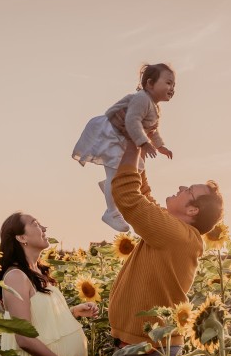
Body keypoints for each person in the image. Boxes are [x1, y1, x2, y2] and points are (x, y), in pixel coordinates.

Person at [108, 139, 224, 356]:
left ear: (193, 210)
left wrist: (134, 146)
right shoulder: (175, 232)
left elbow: (129, 198)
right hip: (142, 343)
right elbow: (145, 198)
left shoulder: (177, 236)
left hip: (149, 347)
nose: (182, 188)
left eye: (189, 190)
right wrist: (139, 149)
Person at [0, 212, 98, 356]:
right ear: (21, 238)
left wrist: (74, 312)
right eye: (35, 223)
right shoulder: (15, 276)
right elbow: (23, 337)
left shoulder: (37, 273)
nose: (44, 227)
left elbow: (43, 320)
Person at [72, 63, 176, 232]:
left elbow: (152, 129)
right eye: (168, 83)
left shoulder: (154, 107)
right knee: (118, 173)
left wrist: (161, 146)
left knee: (132, 171)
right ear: (150, 84)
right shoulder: (142, 98)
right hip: (112, 136)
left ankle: (109, 186)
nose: (172, 88)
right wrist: (143, 143)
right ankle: (111, 212)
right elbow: (132, 121)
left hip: (123, 139)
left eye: (174, 85)